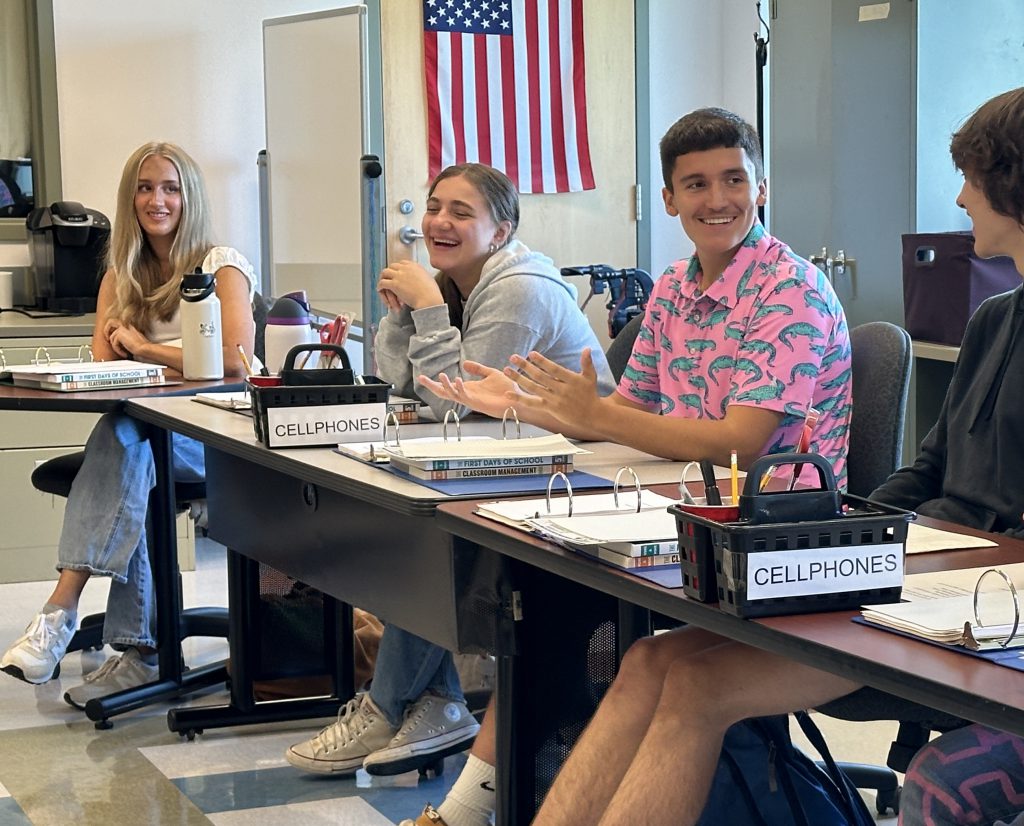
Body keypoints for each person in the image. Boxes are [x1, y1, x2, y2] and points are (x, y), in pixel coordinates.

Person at [419, 108, 852, 825]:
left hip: (768, 538)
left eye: (733, 179)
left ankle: (476, 807)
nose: (717, 199)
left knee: (559, 609)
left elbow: (736, 441)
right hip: (682, 514)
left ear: (762, 186)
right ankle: (489, 804)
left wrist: (587, 416)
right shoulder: (677, 287)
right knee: (538, 596)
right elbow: (628, 411)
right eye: (696, 184)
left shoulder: (791, 290)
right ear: (669, 200)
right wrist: (522, 404)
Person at [284, 163, 615, 826]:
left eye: (462, 211)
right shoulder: (457, 284)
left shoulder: (519, 289)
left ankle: (391, 706)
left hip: (580, 479)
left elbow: (459, 410)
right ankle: (429, 700)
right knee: (408, 521)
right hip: (510, 465)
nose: (439, 221)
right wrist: (405, 317)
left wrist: (430, 312)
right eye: (436, 206)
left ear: (503, 229)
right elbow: (405, 391)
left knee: (428, 530)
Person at [0, 142, 257, 707]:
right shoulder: (122, 271)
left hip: (214, 436)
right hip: (145, 430)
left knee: (125, 446)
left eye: (169, 188)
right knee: (128, 445)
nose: (156, 200)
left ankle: (65, 616)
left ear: (189, 196)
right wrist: (137, 352)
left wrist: (144, 347)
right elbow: (102, 360)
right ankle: (134, 650)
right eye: (144, 188)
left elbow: (236, 360)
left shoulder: (220, 265)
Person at [888, 87, 1024, 826]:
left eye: (974, 177)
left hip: (990, 599)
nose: (961, 197)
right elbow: (933, 465)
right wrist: (845, 526)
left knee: (941, 784)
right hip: (946, 579)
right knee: (693, 655)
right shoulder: (993, 316)